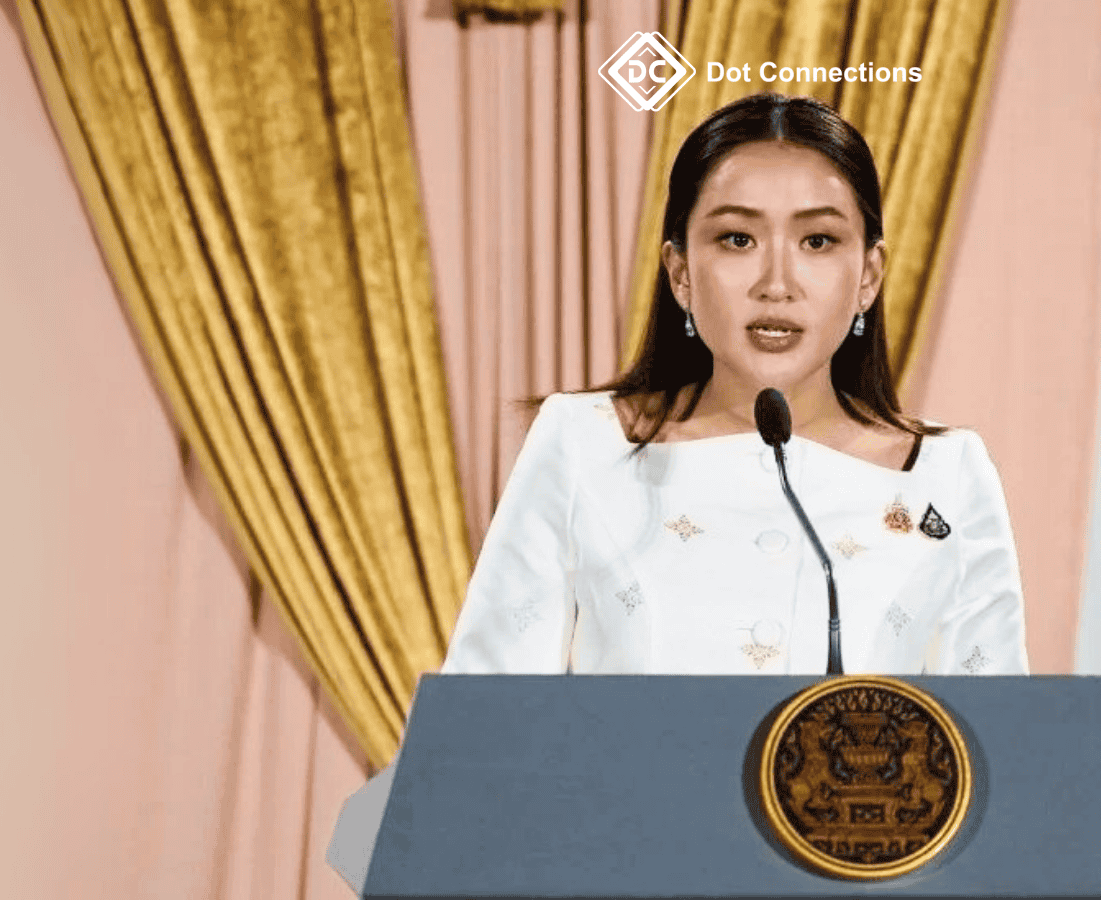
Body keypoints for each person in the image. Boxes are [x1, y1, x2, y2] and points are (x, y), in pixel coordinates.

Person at [441, 93, 1028, 676]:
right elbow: (488, 720)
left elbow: (995, 744)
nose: (777, 283)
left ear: (868, 277)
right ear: (680, 274)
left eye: (817, 241)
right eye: (737, 240)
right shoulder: (583, 444)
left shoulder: (945, 475)